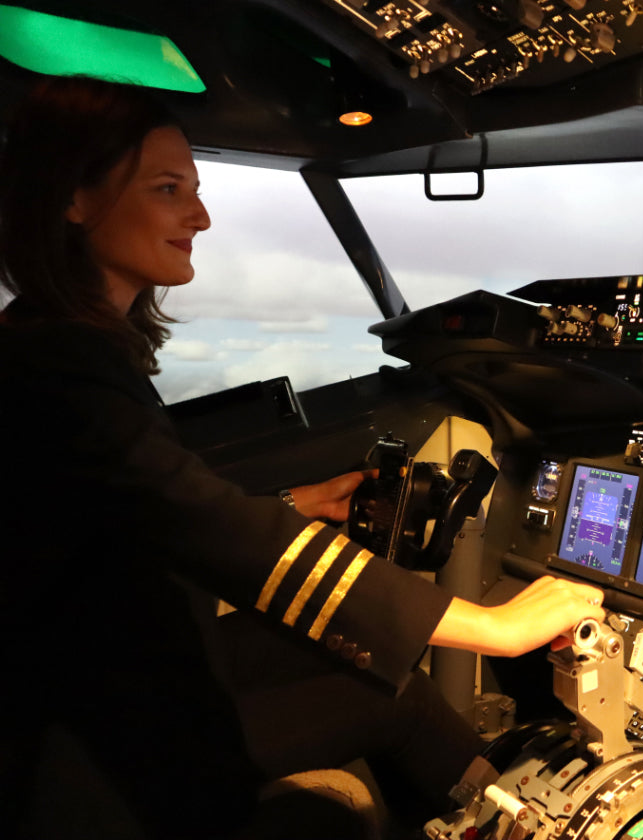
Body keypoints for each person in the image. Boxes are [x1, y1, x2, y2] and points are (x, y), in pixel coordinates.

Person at [0, 75, 605, 840]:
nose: (201, 217)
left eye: (196, 190)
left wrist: (296, 505)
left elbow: (150, 512)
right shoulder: (55, 368)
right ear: (74, 199)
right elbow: (212, 526)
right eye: (167, 189)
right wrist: (495, 626)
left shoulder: (55, 344)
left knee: (358, 658)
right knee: (395, 700)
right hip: (83, 741)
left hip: (104, 663)